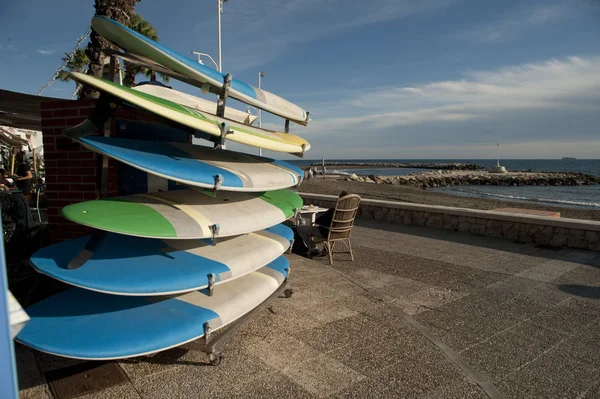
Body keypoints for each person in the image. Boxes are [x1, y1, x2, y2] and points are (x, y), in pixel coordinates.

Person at [296, 190, 348, 255]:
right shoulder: (349, 213)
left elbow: (318, 221)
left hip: (326, 233)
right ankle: (324, 248)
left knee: (300, 228)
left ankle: (313, 249)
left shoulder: (333, 211)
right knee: (306, 226)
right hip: (342, 233)